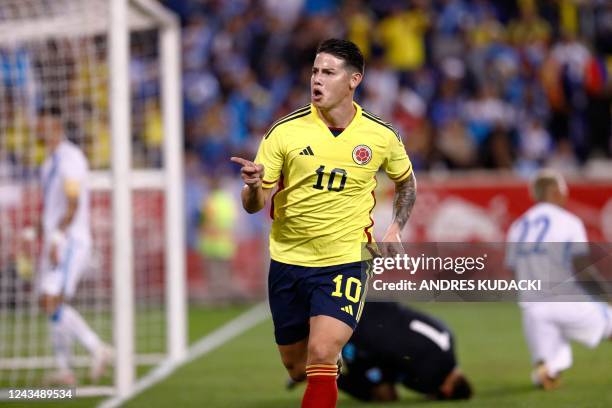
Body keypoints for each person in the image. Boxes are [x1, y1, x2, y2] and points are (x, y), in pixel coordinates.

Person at [231, 38, 417, 408]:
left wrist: (396, 226)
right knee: (297, 367)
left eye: (328, 72)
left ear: (353, 80)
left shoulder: (380, 136)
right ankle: (333, 371)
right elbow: (254, 205)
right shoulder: (284, 132)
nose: (317, 79)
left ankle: (330, 361)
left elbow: (406, 182)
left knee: (322, 350)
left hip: (346, 259)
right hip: (288, 261)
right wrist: (252, 187)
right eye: (315, 71)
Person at [505, 169, 612, 390]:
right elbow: (582, 268)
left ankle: (546, 369)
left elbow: (512, 271)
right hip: (567, 301)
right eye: (564, 191)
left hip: (533, 309)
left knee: (550, 368)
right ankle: (548, 367)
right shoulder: (568, 222)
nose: (566, 195)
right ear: (554, 192)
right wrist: (606, 293)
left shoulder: (518, 226)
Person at [33, 106, 113, 386]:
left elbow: (73, 201)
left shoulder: (70, 157)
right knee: (51, 302)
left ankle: (97, 348)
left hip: (70, 240)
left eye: (40, 124)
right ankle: (65, 369)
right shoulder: (48, 162)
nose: (36, 129)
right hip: (57, 238)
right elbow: (50, 207)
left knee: (49, 299)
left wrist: (58, 237)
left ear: (54, 125)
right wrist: (34, 233)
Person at [334, 301, 472, 402]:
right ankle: (323, 374)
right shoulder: (434, 372)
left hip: (376, 309)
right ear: (447, 391)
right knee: (385, 396)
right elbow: (392, 365)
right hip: (366, 332)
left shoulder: (448, 339)